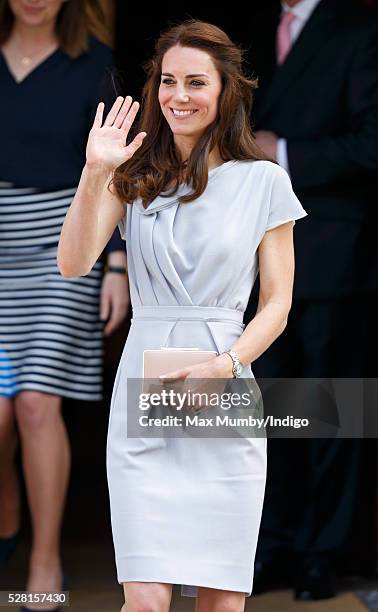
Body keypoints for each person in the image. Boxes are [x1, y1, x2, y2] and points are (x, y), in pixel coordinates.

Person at [58, 19, 308, 612]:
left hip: (224, 383)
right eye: (168, 81)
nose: (179, 96)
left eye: (196, 82)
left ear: (225, 92)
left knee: (221, 602)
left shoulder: (264, 182)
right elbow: (73, 263)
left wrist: (225, 365)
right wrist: (94, 172)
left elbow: (278, 303)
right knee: (144, 600)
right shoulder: (132, 173)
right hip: (145, 388)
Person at [244, 0, 378, 600]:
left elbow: (373, 143)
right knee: (264, 406)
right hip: (248, 252)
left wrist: (283, 153)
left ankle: (323, 552)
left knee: (329, 404)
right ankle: (271, 543)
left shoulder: (361, 30)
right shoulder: (246, 23)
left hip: (331, 251)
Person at [0, 0, 128, 609]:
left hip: (64, 248)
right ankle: (7, 524)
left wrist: (118, 264)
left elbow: (118, 172)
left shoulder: (93, 65)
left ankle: (44, 562)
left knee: (34, 404)